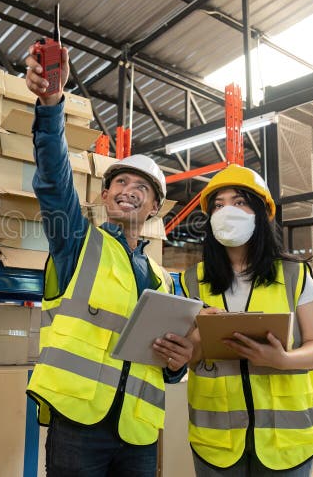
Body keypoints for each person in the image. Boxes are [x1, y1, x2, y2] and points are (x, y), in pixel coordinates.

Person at [23, 44, 194, 477]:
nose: (129, 190)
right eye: (120, 181)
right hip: (80, 422)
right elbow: (53, 180)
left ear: (154, 207)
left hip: (137, 430)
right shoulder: (78, 242)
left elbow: (171, 368)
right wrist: (50, 107)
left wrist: (178, 362)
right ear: (104, 196)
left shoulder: (164, 279)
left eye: (143, 187)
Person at [180, 164, 313, 476]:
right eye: (218, 206)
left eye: (239, 202)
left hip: (285, 442)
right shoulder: (191, 281)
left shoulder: (293, 274)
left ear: (261, 213)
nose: (227, 212)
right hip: (217, 440)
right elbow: (188, 358)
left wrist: (282, 359)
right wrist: (194, 341)